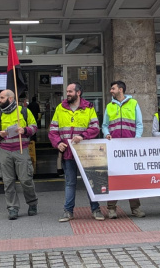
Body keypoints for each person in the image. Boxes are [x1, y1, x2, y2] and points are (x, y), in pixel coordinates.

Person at [49, 82, 103, 222]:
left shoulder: (88, 107)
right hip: (68, 153)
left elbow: (95, 127)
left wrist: (83, 136)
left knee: (90, 182)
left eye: (70, 91)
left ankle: (96, 209)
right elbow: (53, 130)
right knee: (70, 183)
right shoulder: (60, 108)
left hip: (86, 153)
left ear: (78, 93)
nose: (67, 94)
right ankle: (68, 211)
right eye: (67, 91)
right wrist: (58, 143)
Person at [0, 89, 38, 220]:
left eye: (2, 98)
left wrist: (25, 130)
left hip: (21, 149)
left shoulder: (24, 111)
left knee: (26, 179)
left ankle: (32, 203)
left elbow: (34, 127)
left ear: (10, 98)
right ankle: (12, 208)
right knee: (8, 181)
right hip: (4, 151)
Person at [102, 81, 146, 218]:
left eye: (113, 88)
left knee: (131, 178)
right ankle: (111, 209)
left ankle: (135, 208)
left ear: (120, 90)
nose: (111, 91)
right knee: (113, 178)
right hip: (115, 148)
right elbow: (104, 125)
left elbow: (139, 124)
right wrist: (106, 134)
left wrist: (136, 139)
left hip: (129, 148)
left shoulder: (134, 104)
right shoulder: (109, 106)